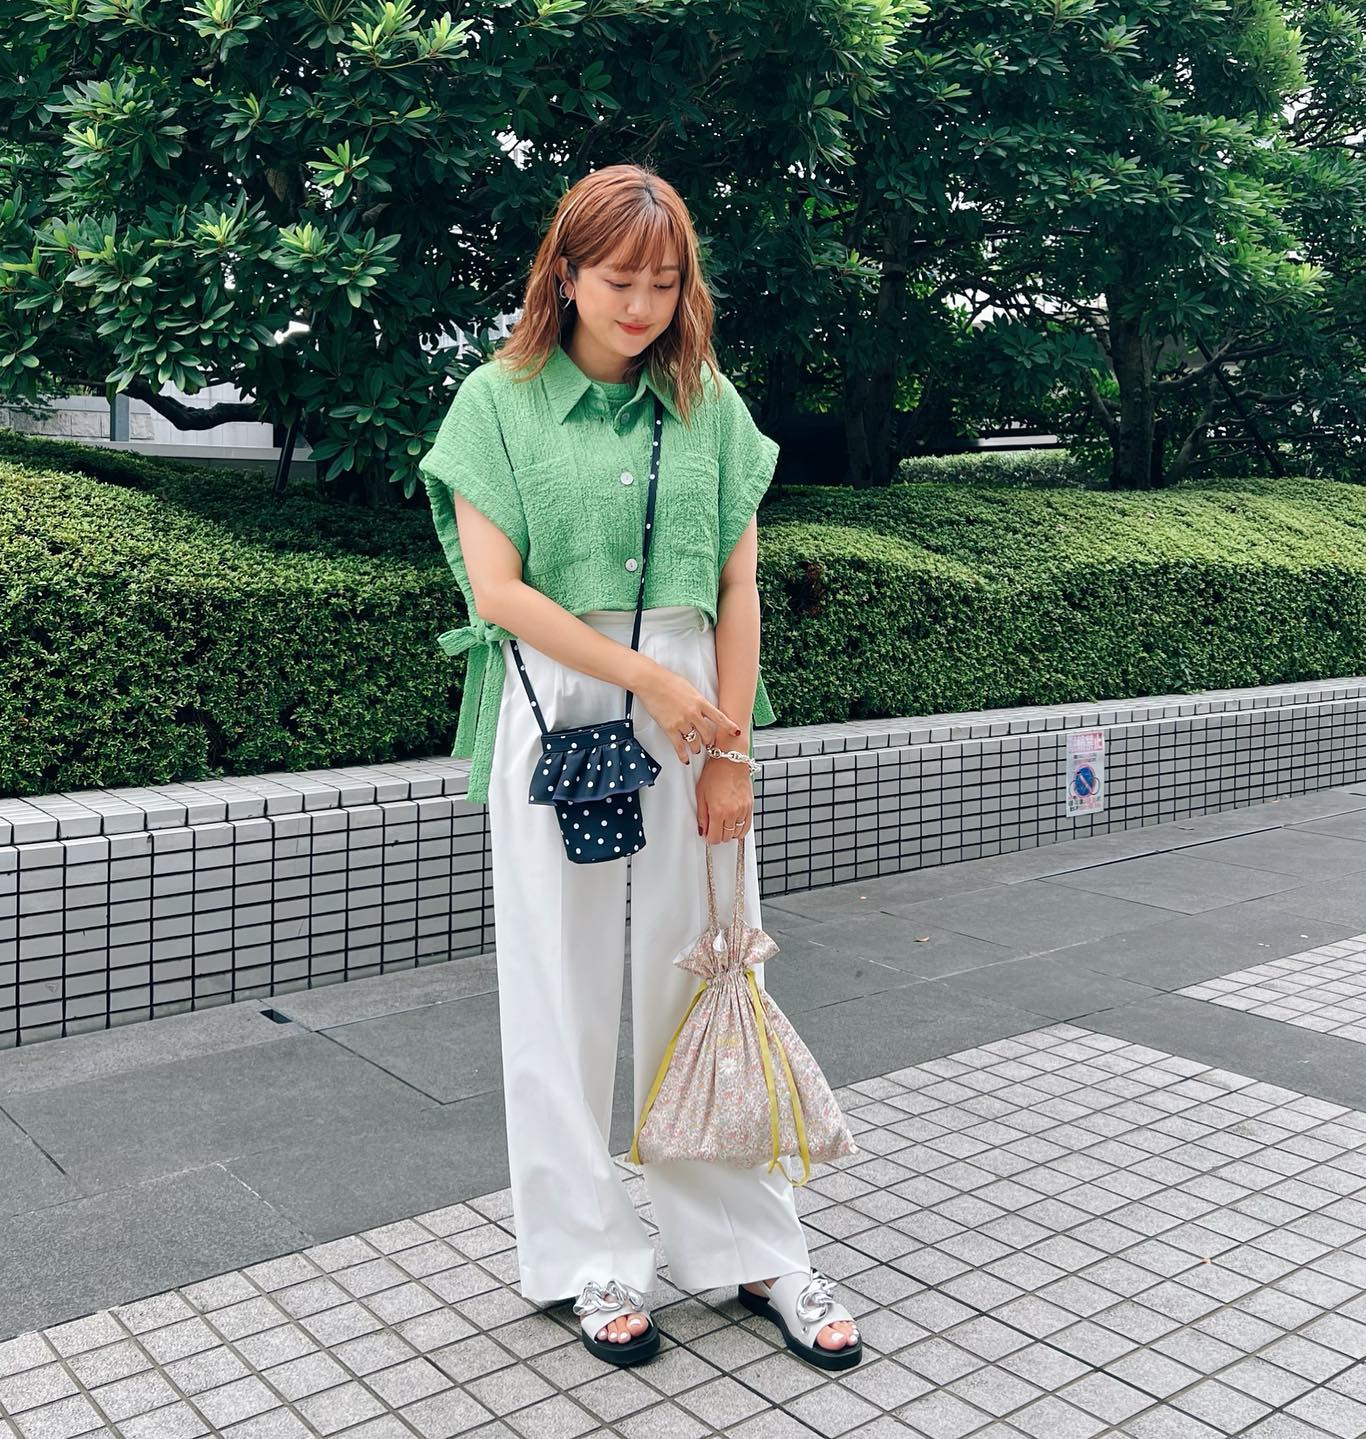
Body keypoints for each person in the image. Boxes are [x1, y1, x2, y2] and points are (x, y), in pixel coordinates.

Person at [417, 165, 862, 1371]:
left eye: (665, 283)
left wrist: (728, 742)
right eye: (618, 280)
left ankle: (751, 1246)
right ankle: (587, 1258)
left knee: (712, 975)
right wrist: (662, 690)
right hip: (561, 706)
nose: (642, 304)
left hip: (694, 708)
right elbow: (498, 592)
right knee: (559, 994)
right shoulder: (495, 402)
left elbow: (735, 582)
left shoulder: (706, 402)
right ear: (563, 272)